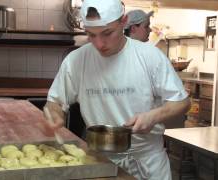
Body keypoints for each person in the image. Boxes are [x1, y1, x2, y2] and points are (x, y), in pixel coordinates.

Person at [44, 0, 190, 179]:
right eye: (91, 35)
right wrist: (55, 114)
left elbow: (182, 102)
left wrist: (153, 116)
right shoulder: (76, 61)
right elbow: (56, 101)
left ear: (123, 21)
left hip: (148, 163)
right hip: (99, 161)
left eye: (107, 33)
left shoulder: (149, 56)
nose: (99, 44)